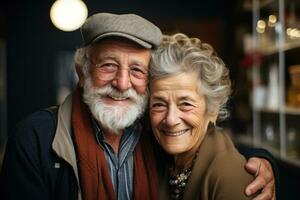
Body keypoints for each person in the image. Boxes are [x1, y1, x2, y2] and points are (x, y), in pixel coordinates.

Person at [0, 13, 276, 200]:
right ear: (82, 72)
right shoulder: (34, 138)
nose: (122, 83)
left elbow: (202, 145)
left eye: (137, 69)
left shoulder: (154, 127)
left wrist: (260, 159)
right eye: (108, 65)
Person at [149, 33, 277, 200]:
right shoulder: (163, 157)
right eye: (159, 104)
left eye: (186, 104)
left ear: (213, 108)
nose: (171, 120)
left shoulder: (229, 176)